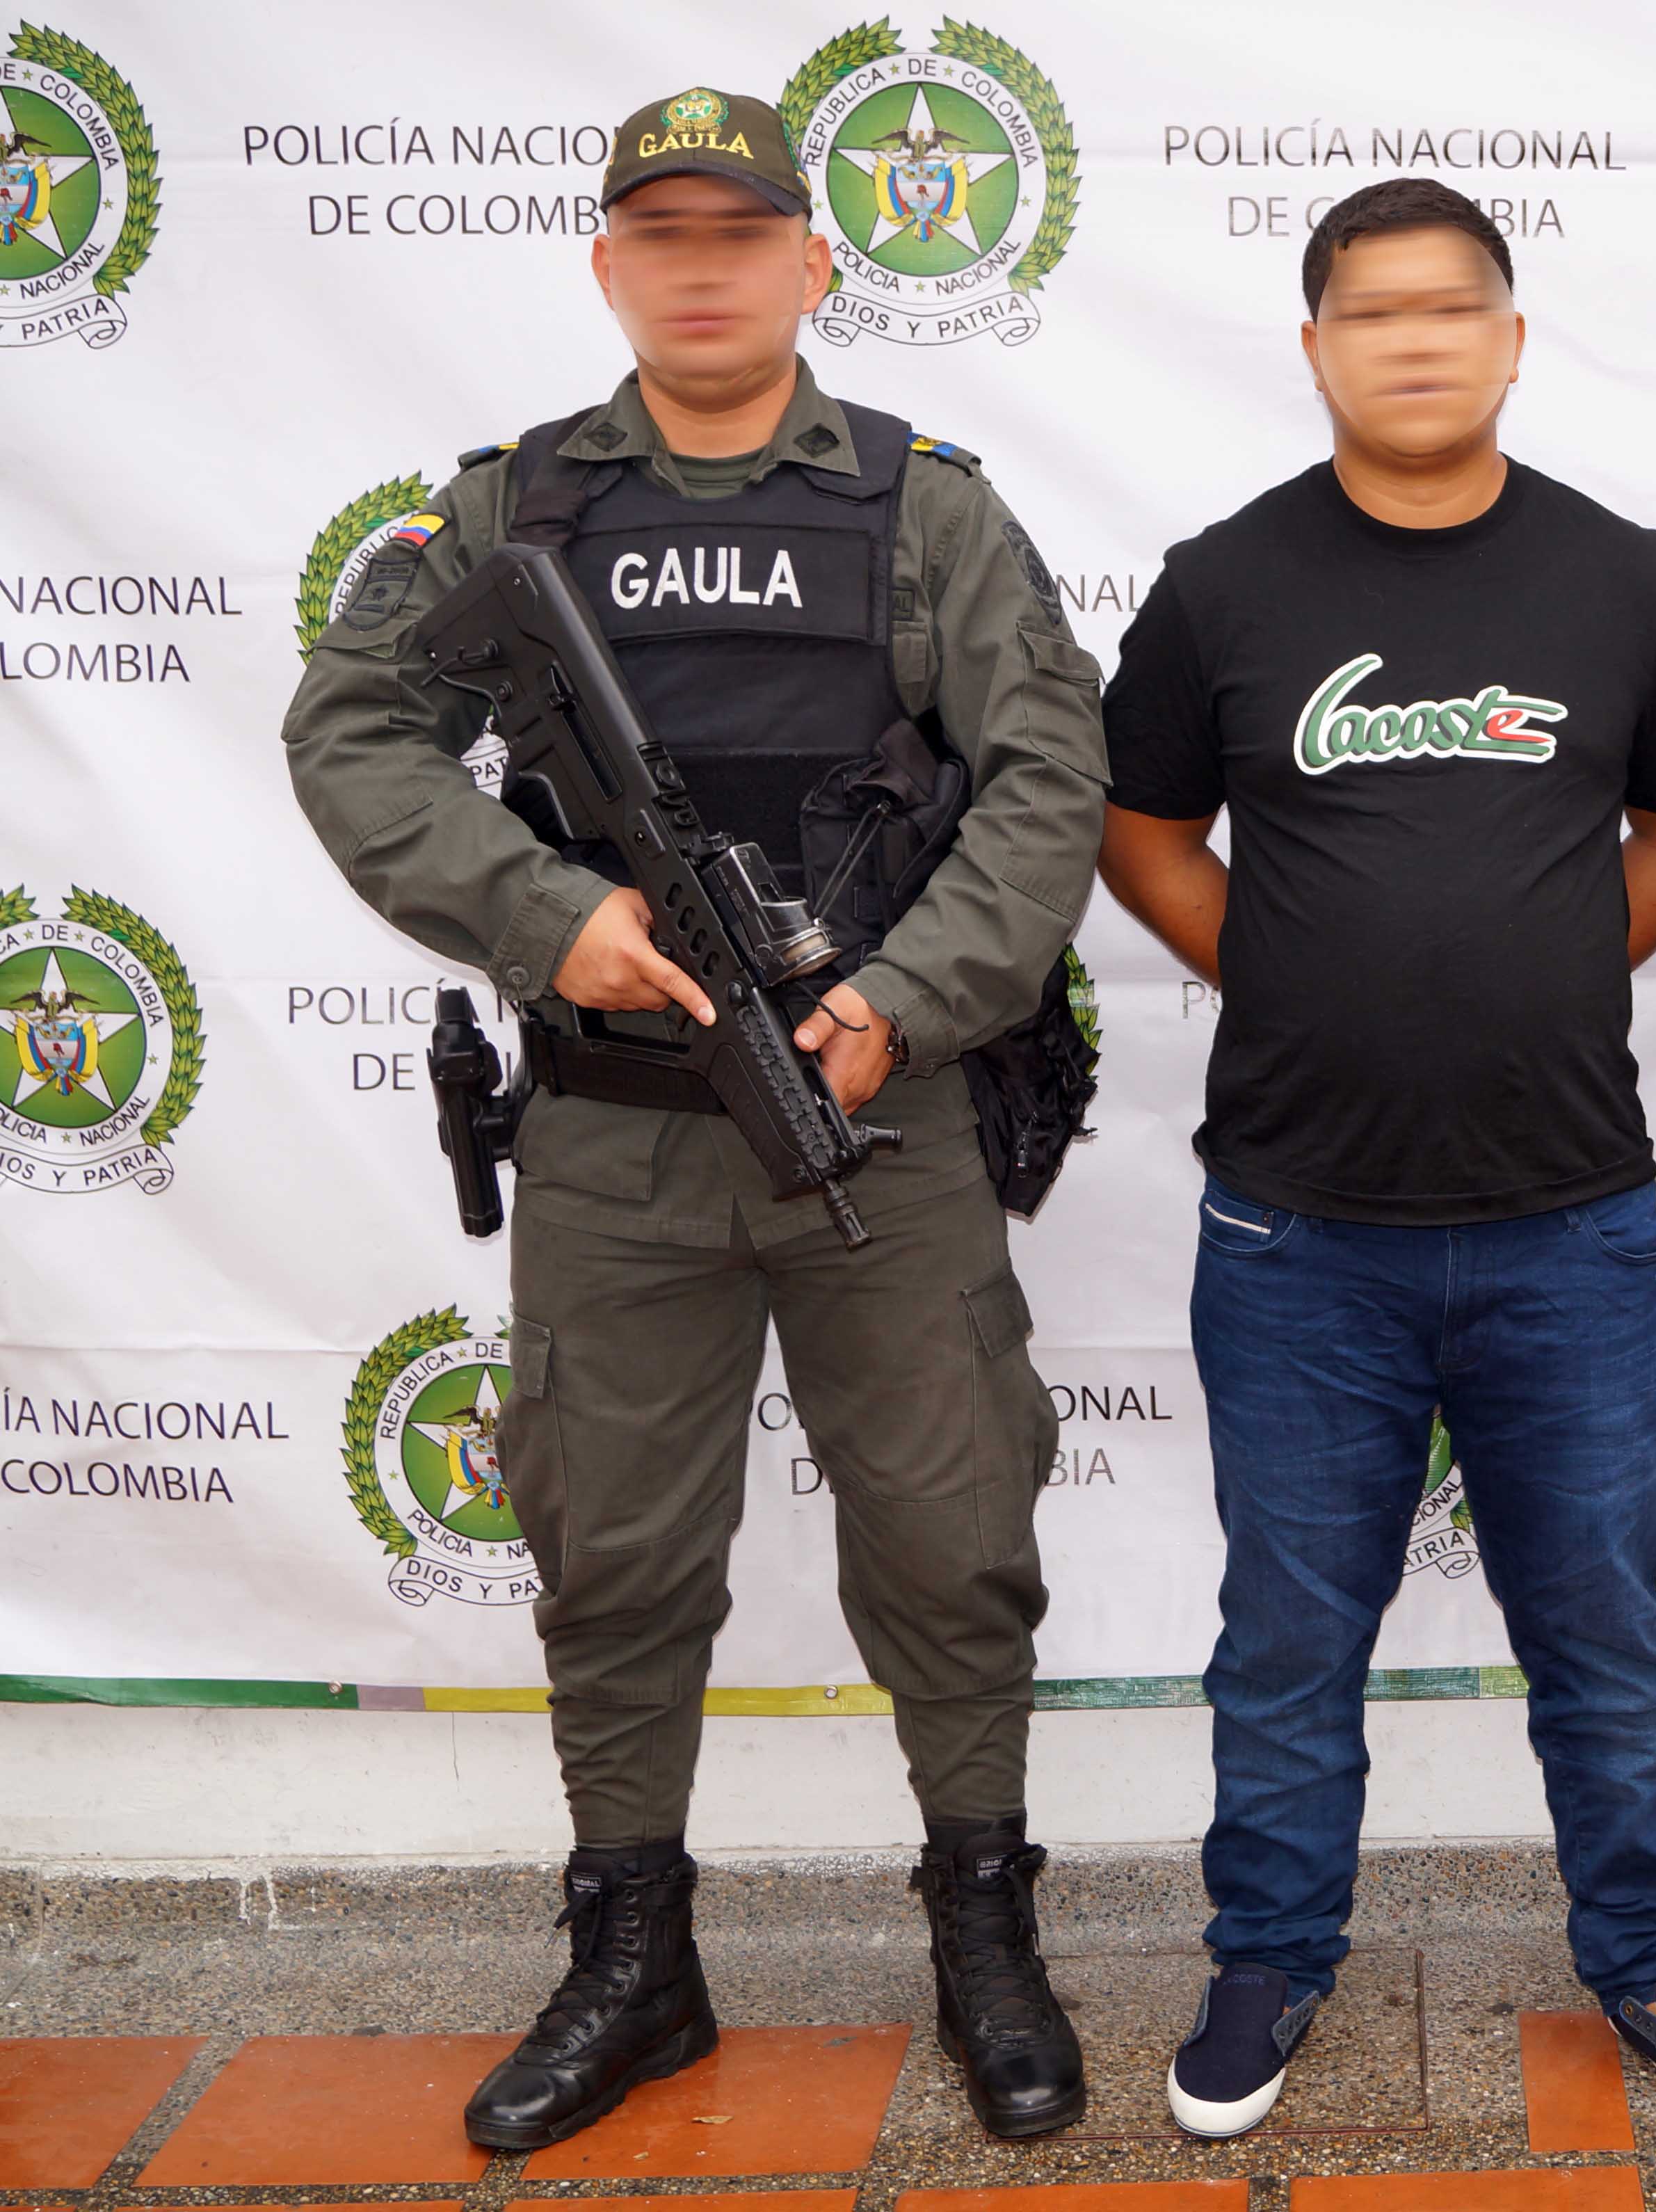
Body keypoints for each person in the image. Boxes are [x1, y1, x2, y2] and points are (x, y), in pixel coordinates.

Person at [281, 89, 1109, 2148]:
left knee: (948, 1535)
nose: (705, 265)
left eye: (741, 232)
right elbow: (356, 730)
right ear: (609, 268)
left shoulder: (928, 508)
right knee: (615, 1553)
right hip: (612, 1134)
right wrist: (548, 916)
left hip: (877, 1120)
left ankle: (984, 1923)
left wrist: (901, 1006)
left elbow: (1045, 778)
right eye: (661, 234)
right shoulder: (507, 514)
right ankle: (634, 1953)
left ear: (817, 259)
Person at [1095, 177, 1656, 2142]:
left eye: (1449, 305)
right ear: (1315, 345)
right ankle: (1267, 1957)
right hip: (1299, 1231)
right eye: (1370, 309)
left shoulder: (1618, 574)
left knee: (1606, 1628)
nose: (1413, 336)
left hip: (1574, 1221)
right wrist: (1288, 962)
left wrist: (1575, 948)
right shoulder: (1228, 584)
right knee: (1290, 1634)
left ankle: (1653, 1948)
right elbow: (1142, 828)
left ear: (1508, 335)